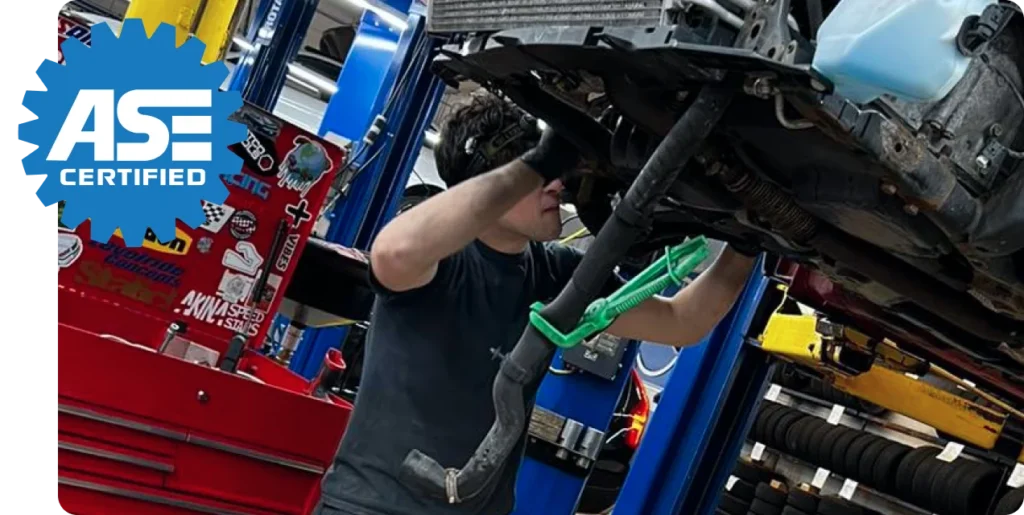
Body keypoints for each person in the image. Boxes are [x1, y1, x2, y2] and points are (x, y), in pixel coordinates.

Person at [314, 93, 758, 515]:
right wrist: (541, 160)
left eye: (552, 170)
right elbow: (392, 254)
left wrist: (746, 240)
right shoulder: (440, 261)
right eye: (537, 175)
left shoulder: (558, 274)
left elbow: (682, 322)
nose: (558, 185)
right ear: (489, 182)